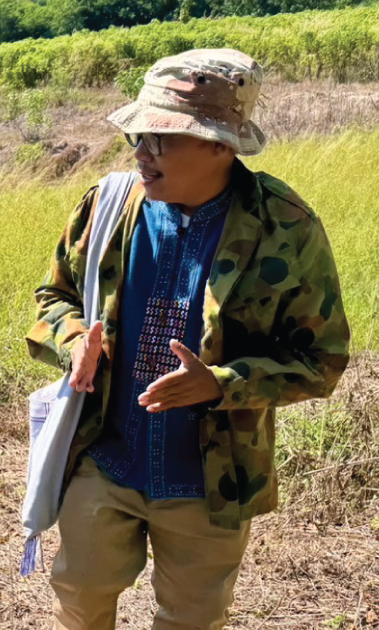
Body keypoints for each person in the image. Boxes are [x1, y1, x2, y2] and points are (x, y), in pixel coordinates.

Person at [26, 49, 351, 630]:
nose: (140, 153)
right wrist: (75, 340)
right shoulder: (108, 205)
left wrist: (221, 384)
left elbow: (320, 360)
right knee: (79, 595)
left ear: (220, 144)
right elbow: (53, 297)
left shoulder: (285, 226)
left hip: (210, 484)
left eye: (161, 139)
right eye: (138, 136)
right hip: (105, 455)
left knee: (191, 620)